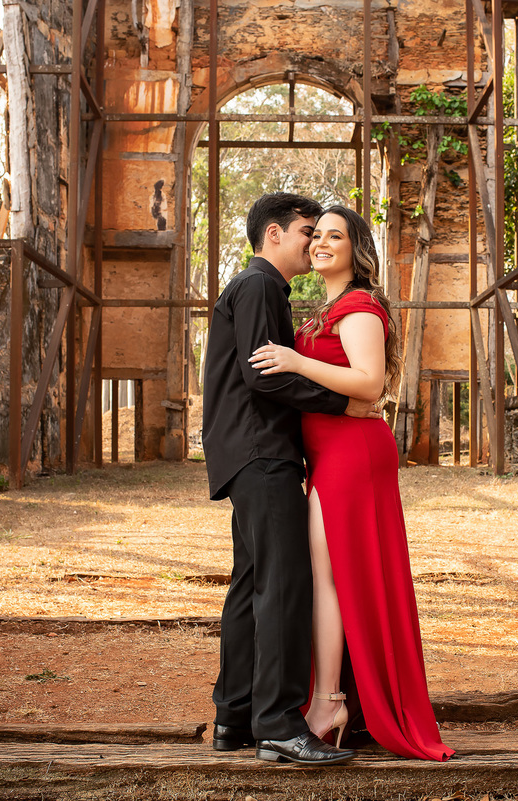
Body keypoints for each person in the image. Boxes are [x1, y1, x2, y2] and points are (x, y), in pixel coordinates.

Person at [249, 205, 455, 761]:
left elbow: (368, 383)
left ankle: (327, 702)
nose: (319, 243)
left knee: (331, 577)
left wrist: (294, 361)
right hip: (327, 454)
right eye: (315, 235)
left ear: (355, 248)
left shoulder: (360, 306)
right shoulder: (328, 309)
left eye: (334, 236)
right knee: (330, 576)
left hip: (352, 453)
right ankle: (334, 700)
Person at [201, 193, 377, 766]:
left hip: (246, 452)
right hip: (262, 451)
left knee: (252, 583)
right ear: (274, 234)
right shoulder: (258, 286)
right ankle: (279, 723)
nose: (312, 242)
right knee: (284, 584)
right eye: (306, 231)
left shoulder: (259, 289)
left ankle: (234, 717)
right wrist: (341, 404)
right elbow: (264, 375)